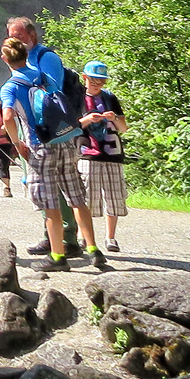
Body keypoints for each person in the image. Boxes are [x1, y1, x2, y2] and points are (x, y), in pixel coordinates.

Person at [1, 36, 104, 270]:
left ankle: (57, 256)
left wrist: (17, 143)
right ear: (26, 56)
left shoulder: (11, 86)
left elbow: (8, 117)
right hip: (65, 140)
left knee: (51, 204)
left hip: (39, 147)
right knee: (77, 198)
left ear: (4, 58)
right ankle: (93, 249)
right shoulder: (43, 76)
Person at [79, 60, 129, 252]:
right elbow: (72, 127)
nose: (98, 85)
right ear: (85, 78)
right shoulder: (77, 99)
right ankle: (84, 237)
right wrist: (87, 119)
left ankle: (111, 238)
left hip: (112, 153)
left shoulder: (110, 98)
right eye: (94, 80)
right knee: (86, 197)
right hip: (87, 154)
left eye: (101, 81)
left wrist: (114, 118)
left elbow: (123, 128)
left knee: (114, 196)